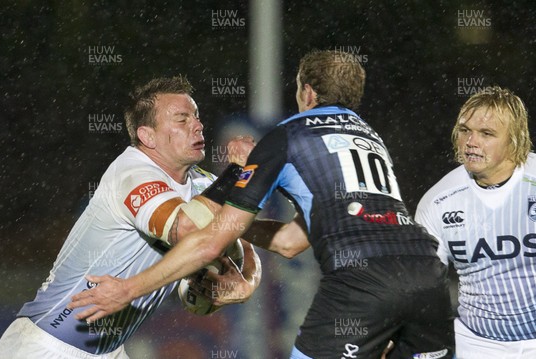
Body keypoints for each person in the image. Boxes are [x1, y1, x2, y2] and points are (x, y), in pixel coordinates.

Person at [70, 50, 455, 358]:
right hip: (429, 278)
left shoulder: (286, 135)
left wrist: (129, 289)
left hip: (363, 284)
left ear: (306, 93)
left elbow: (209, 244)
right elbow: (291, 241)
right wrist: (236, 218)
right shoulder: (371, 138)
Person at [0, 76, 262, 358]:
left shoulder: (202, 186)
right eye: (182, 119)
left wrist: (247, 283)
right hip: (48, 346)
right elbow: (187, 227)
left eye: (196, 116)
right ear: (147, 136)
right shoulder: (133, 174)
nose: (198, 125)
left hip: (109, 351)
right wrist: (236, 171)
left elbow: (249, 235)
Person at [415, 86, 536, 358]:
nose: (471, 141)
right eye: (464, 130)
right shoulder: (438, 201)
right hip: (477, 344)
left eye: (486, 134)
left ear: (514, 140)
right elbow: (421, 288)